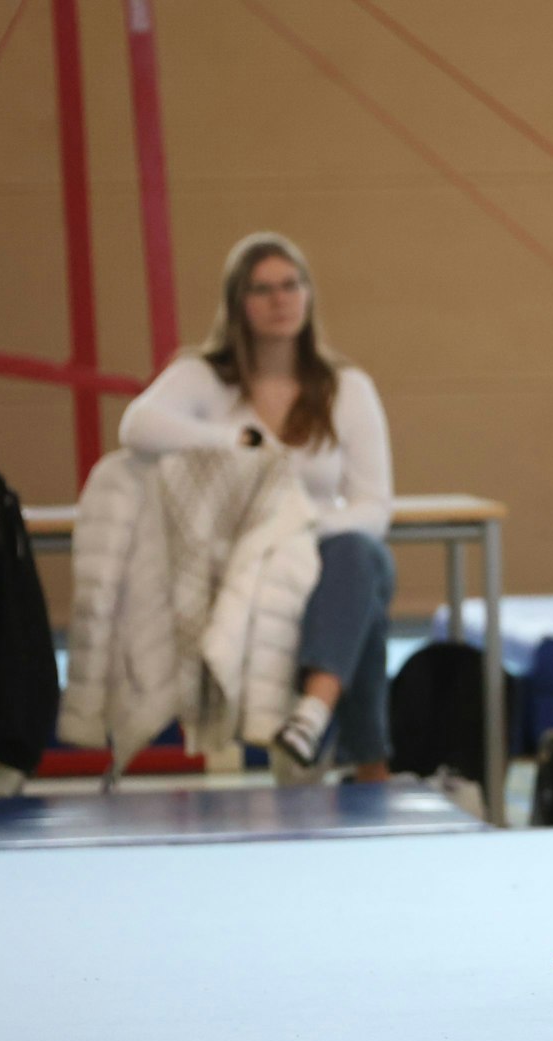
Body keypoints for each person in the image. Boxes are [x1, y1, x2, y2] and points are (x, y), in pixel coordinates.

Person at [117, 232, 395, 781]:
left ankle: (313, 714)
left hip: (319, 551)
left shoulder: (347, 386)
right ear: (237, 303)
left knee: (362, 558)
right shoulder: (203, 377)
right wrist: (238, 441)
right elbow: (136, 427)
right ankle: (368, 763)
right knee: (367, 586)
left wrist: (301, 531)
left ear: (308, 294)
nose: (279, 300)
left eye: (290, 286)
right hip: (236, 555)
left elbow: (373, 504)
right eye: (262, 290)